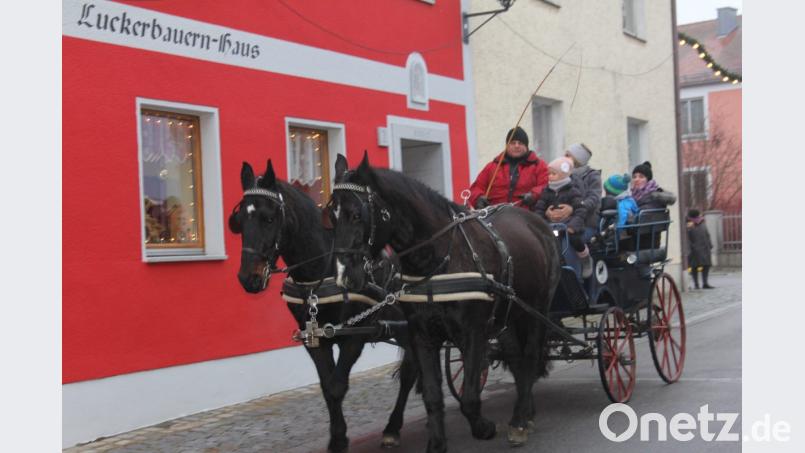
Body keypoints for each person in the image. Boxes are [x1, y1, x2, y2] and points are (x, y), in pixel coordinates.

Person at [533, 157, 593, 278]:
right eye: (549, 173)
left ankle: (585, 258)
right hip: (551, 225)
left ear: (562, 175)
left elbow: (580, 210)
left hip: (568, 226)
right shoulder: (547, 191)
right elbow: (539, 208)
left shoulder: (572, 191)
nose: (550, 176)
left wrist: (572, 226)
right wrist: (542, 222)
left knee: (575, 240)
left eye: (553, 174)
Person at [469, 126, 549, 209]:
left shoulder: (539, 165)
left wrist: (533, 195)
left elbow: (546, 186)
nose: (516, 146)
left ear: (526, 146)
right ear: (507, 145)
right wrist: (478, 199)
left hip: (526, 215)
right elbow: (476, 188)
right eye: (513, 143)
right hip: (494, 214)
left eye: (520, 143)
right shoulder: (492, 167)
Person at [547, 143, 602, 242]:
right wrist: (548, 211)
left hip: (585, 224)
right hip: (560, 222)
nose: (563, 157)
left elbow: (593, 199)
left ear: (577, 160)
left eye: (568, 155)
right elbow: (549, 195)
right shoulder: (560, 174)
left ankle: (585, 257)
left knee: (568, 246)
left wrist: (573, 208)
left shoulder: (593, 176)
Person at [686, 209, 714, 289]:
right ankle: (696, 284)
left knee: (706, 265)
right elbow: (687, 238)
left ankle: (705, 283)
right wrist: (691, 247)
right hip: (694, 249)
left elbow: (707, 234)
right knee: (694, 266)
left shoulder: (702, 222)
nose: (700, 216)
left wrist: (710, 244)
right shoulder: (689, 224)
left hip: (705, 247)